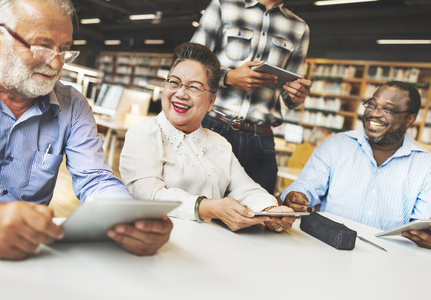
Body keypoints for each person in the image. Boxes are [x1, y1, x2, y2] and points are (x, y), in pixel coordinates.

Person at [0, 0, 172, 260]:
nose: (56, 64)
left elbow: (95, 179)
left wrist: (130, 219)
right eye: (42, 46)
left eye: (65, 50)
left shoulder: (72, 105)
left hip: (34, 258)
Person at [120, 42, 296, 232]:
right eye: (174, 82)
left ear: (212, 101)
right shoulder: (143, 133)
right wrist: (207, 208)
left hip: (212, 250)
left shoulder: (219, 144)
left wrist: (270, 211)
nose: (180, 93)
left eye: (194, 87)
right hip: (160, 244)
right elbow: (149, 195)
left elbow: (247, 189)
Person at [281, 81, 431, 249]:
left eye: (387, 110)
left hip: (387, 259)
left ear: (409, 119)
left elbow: (423, 224)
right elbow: (306, 186)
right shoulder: (336, 145)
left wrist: (426, 238)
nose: (374, 113)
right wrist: (295, 196)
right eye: (371, 105)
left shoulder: (426, 165)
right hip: (327, 247)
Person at [191, 0, 312, 194]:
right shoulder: (223, 6)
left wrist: (297, 95)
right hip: (213, 126)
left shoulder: (299, 27)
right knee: (200, 204)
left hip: (261, 139)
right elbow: (190, 63)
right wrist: (228, 77)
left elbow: (290, 92)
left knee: (260, 213)